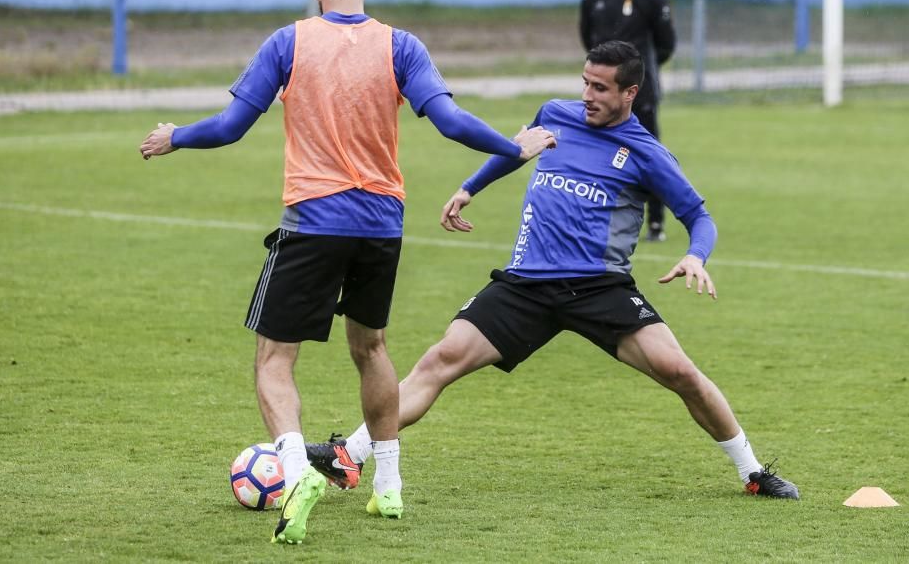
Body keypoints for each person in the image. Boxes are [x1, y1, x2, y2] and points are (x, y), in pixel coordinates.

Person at [138, 0, 556, 545]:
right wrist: (512, 147)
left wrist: (176, 135)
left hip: (314, 221)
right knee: (372, 349)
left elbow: (230, 128)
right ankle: (388, 487)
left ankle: (291, 469)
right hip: (381, 225)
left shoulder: (289, 41)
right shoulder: (401, 45)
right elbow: (450, 121)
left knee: (274, 361)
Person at [304, 41, 799, 503]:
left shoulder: (647, 153)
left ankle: (753, 472)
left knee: (679, 371)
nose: (587, 95)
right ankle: (351, 454)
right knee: (440, 359)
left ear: (630, 93)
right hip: (526, 285)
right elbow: (518, 149)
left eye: (600, 88)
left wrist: (697, 255)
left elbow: (699, 217)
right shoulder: (556, 114)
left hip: (599, 287)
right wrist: (470, 187)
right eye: (585, 82)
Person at [579, 0, 676, 242]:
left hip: (640, 96)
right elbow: (587, 39)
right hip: (601, 97)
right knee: (596, 156)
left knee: (649, 155)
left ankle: (656, 223)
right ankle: (594, 220)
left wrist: (636, 77)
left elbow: (665, 44)